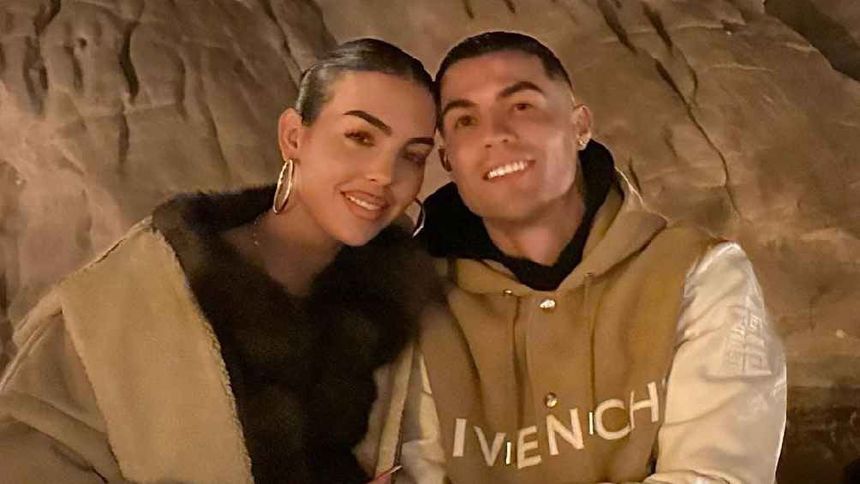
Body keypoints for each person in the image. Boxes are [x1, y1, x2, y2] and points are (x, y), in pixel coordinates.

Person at [0, 38, 440, 483]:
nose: (385, 174)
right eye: (360, 137)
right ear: (294, 136)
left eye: (412, 155)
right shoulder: (138, 294)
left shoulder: (410, 310)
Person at [399, 31, 787, 483]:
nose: (495, 134)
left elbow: (719, 476)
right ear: (447, 158)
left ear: (580, 126)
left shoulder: (699, 274)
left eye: (521, 106)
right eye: (466, 121)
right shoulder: (421, 302)